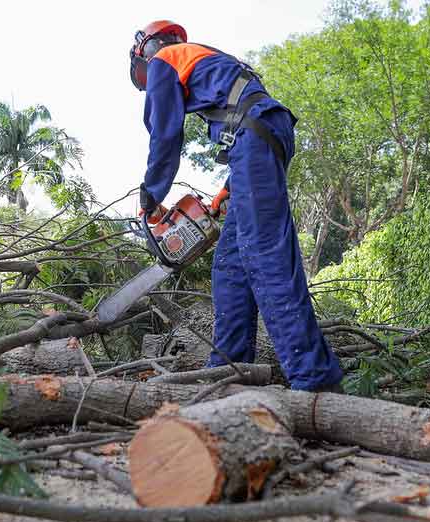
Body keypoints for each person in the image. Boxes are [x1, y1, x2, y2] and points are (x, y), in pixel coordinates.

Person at [130, 20, 343, 392]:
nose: (149, 83)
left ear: (146, 50)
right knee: (230, 265)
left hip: (255, 135)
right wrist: (227, 191)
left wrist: (150, 196)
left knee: (264, 256)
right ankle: (230, 368)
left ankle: (315, 380)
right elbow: (245, 109)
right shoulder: (206, 59)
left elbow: (165, 134)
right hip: (260, 135)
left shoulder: (166, 59)